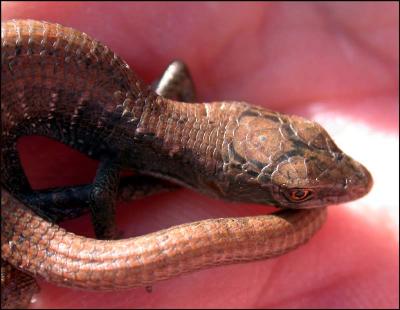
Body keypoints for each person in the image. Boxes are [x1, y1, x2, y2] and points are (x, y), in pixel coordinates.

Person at [2, 2, 398, 308]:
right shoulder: (138, 141)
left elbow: (178, 73)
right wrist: (108, 241)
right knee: (20, 271)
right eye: (295, 193)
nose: (355, 183)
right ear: (215, 181)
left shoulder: (154, 116)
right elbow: (99, 192)